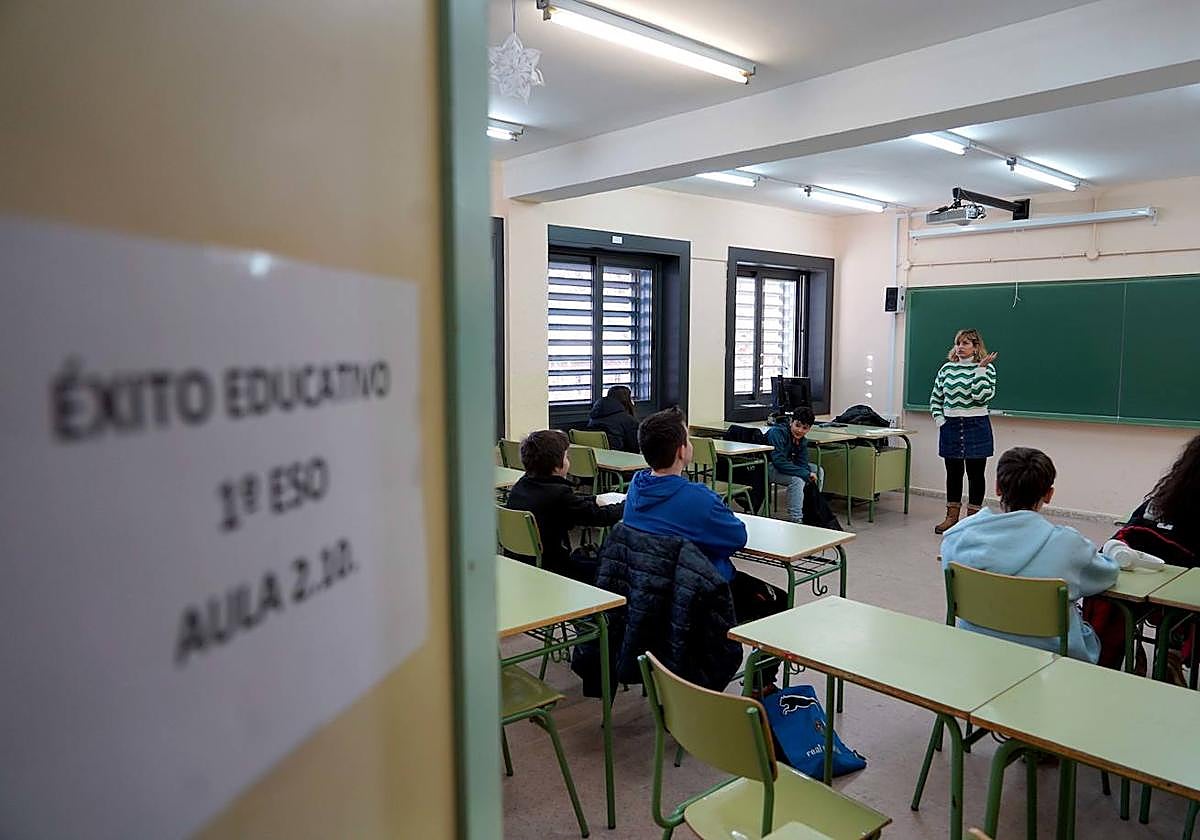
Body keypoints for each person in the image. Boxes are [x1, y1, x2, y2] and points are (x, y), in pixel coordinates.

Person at [623, 406, 786, 685]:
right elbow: (737, 538)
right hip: (704, 593)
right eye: (687, 438)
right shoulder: (698, 499)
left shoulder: (636, 487)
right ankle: (763, 684)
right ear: (681, 451)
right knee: (779, 600)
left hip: (651, 590)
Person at [940, 446, 1120, 663]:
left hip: (977, 651)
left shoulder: (958, 537)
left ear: (997, 488)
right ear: (1049, 494)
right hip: (1053, 659)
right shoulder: (1068, 545)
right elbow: (1106, 575)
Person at [506, 429, 624, 580]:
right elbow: (601, 517)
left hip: (520, 564)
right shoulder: (559, 495)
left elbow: (571, 504)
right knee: (611, 571)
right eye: (566, 457)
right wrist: (628, 504)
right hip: (553, 569)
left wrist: (594, 499)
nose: (569, 461)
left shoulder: (521, 485)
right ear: (557, 466)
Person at [930, 328, 998, 534]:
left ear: (976, 347)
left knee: (976, 474)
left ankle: (973, 521)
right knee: (953, 473)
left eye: (966, 343)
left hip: (977, 425)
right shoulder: (947, 369)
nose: (960, 347)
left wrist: (981, 369)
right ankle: (951, 517)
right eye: (958, 343)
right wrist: (940, 420)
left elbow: (981, 396)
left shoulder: (987, 369)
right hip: (950, 426)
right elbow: (935, 398)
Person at [766, 406, 823, 523]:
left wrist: (807, 473)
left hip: (786, 465)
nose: (800, 430)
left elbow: (802, 463)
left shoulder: (802, 440)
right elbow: (779, 462)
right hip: (768, 466)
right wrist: (805, 474)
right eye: (797, 425)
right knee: (798, 480)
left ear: (809, 429)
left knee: (818, 470)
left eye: (805, 428)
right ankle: (796, 519)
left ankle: (813, 510)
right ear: (791, 421)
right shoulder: (777, 432)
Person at [586, 384, 640, 452]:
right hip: (619, 456)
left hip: (596, 456)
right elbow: (635, 448)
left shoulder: (594, 417)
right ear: (627, 401)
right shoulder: (629, 420)